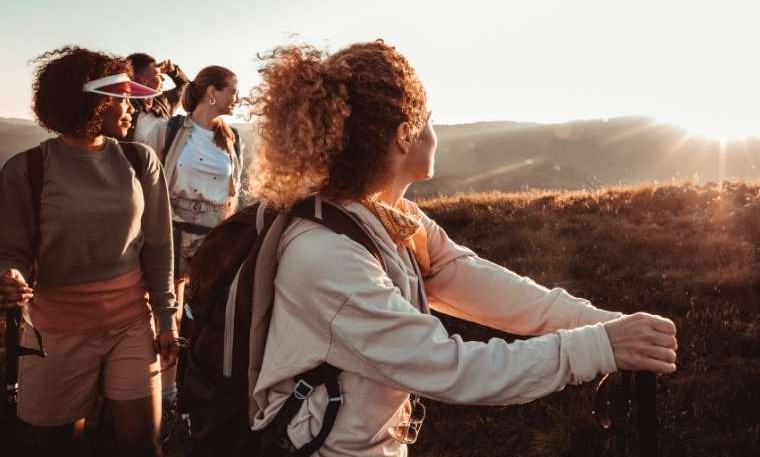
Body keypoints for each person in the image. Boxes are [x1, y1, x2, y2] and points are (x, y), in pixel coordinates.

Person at [246, 41, 678, 456]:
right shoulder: (326, 256)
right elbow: (448, 367)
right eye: (429, 118)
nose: (435, 130)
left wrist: (612, 327)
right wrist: (598, 348)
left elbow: (480, 282)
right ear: (404, 135)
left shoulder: (392, 219)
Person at [0, 46, 178, 457]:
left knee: (143, 447)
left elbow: (158, 245)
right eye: (121, 96)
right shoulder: (26, 170)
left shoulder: (139, 161)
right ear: (91, 100)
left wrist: (166, 318)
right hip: (56, 333)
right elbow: (10, 252)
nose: (135, 105)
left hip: (131, 325)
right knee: (59, 448)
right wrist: (11, 277)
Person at [140, 65, 243, 429]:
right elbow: (145, 178)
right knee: (166, 317)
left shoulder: (232, 140)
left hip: (213, 243)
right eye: (233, 90)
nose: (237, 97)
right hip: (170, 235)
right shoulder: (169, 131)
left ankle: (196, 398)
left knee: (207, 321)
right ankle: (163, 400)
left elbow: (232, 195)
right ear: (212, 92)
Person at [127, 52, 190, 142]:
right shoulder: (123, 106)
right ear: (144, 80)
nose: (163, 79)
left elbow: (186, 87)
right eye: (158, 74)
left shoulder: (164, 101)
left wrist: (173, 71)